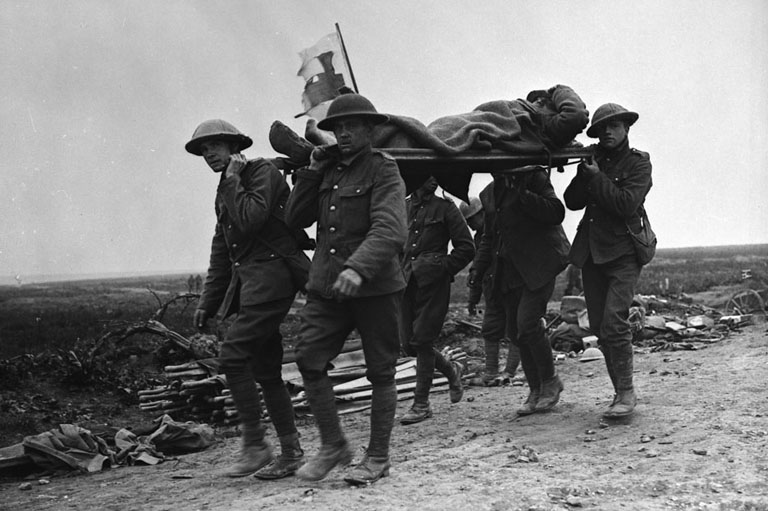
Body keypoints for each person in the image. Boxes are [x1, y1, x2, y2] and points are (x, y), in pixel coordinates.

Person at [285, 93, 407, 485]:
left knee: (381, 371)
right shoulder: (328, 169)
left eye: (352, 126)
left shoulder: (383, 170)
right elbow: (294, 217)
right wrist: (311, 169)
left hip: (373, 287)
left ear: (370, 130)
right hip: (328, 286)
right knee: (309, 359)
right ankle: (334, 445)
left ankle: (377, 456)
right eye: (337, 128)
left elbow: (390, 228)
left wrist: (358, 268)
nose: (343, 133)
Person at [186, 119, 306, 479]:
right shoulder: (226, 187)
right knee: (266, 370)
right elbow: (223, 250)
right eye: (203, 150)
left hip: (274, 280)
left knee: (233, 356)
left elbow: (251, 220)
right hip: (252, 286)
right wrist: (208, 301)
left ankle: (255, 445)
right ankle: (291, 452)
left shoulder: (261, 172)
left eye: (215, 146)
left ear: (234, 146)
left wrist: (235, 181)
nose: (209, 154)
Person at [563, 103, 652, 419]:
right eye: (602, 129)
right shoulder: (593, 160)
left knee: (615, 321)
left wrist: (598, 178)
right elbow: (572, 202)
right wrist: (583, 172)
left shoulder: (639, 163)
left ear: (627, 128)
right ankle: (619, 394)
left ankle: (626, 394)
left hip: (624, 252)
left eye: (614, 126)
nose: (608, 133)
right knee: (600, 327)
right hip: (592, 253)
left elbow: (626, 205)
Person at [471, 165, 571, 415]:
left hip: (539, 265)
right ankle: (535, 388)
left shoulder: (534, 177)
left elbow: (556, 212)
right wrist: (477, 271)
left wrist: (524, 195)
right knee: (516, 332)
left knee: (527, 323)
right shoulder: (490, 194)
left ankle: (550, 381)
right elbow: (488, 237)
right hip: (509, 270)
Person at [399, 176, 475, 424]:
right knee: (409, 344)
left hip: (434, 285)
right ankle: (452, 371)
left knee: (422, 340)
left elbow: (466, 247)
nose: (432, 180)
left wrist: (442, 268)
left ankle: (421, 404)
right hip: (405, 282)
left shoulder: (446, 207)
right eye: (426, 174)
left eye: (436, 175)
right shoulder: (403, 205)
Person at [465, 187, 522, 386]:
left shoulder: (505, 229)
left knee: (516, 328)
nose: (472, 226)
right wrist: (473, 299)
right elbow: (478, 272)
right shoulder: (479, 239)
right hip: (493, 288)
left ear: (483, 213)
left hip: (512, 284)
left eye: (472, 220)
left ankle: (510, 372)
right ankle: (490, 371)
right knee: (490, 329)